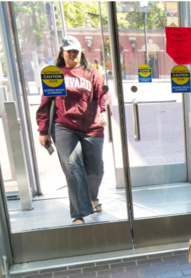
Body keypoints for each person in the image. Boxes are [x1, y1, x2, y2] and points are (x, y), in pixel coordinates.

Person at [36, 36, 111, 225]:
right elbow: (45, 105)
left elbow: (104, 95)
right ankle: (79, 213)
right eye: (68, 50)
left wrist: (104, 111)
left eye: (75, 51)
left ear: (81, 53)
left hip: (92, 127)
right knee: (72, 167)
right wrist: (43, 130)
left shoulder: (92, 73)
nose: (72, 54)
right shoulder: (56, 74)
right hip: (64, 126)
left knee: (96, 170)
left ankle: (92, 197)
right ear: (62, 52)